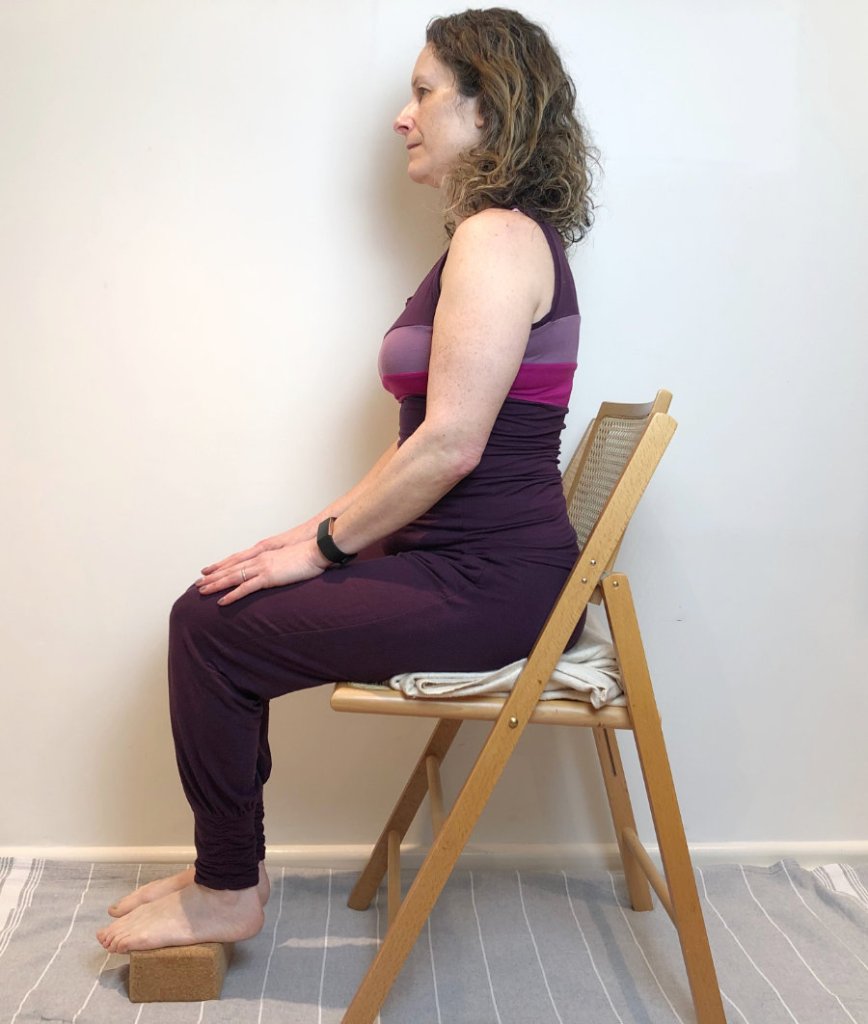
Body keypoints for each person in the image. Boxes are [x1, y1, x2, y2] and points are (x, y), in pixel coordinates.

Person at [97, 7, 596, 954]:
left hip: (493, 586)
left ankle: (226, 888)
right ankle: (223, 868)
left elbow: (449, 446)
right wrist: (300, 540)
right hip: (462, 567)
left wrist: (320, 551)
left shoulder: (498, 239)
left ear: (488, 107)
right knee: (221, 599)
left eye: (422, 93)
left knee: (208, 631)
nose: (402, 117)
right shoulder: (488, 240)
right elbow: (417, 447)